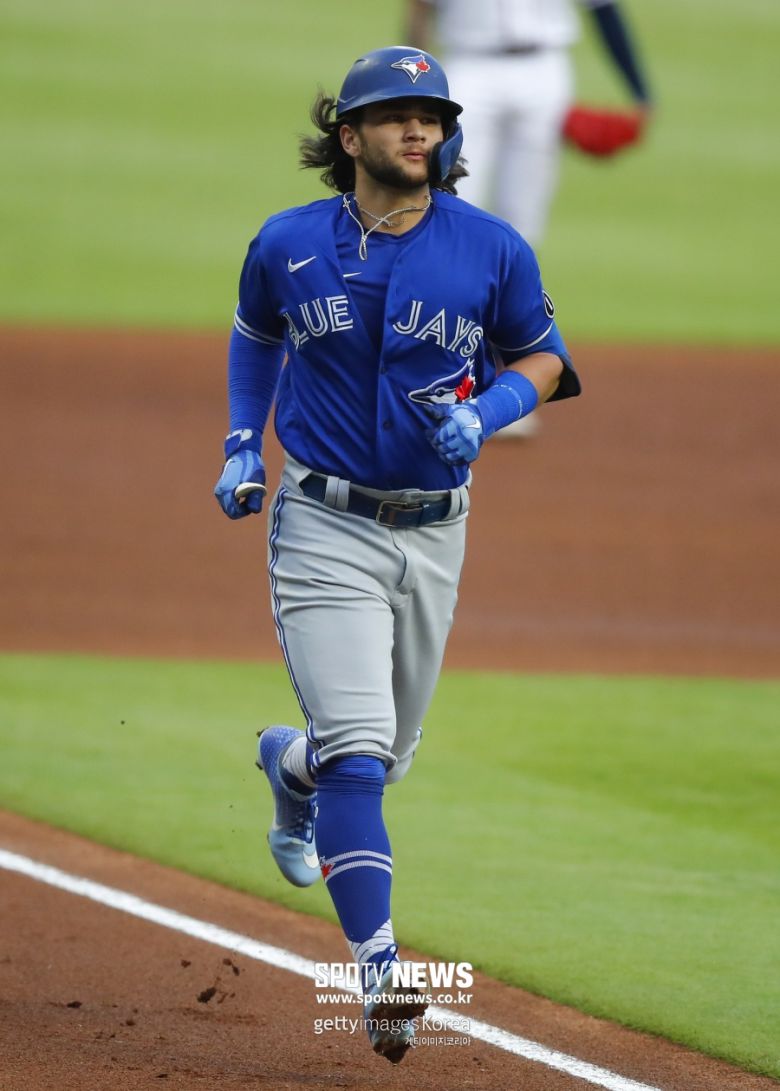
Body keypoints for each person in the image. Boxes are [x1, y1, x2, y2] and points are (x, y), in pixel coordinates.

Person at [214, 45, 580, 1065]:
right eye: (396, 115)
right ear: (350, 135)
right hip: (322, 524)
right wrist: (242, 440)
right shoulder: (288, 242)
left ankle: (288, 762)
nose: (420, 130)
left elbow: (544, 358)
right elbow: (255, 332)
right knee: (362, 751)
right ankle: (380, 967)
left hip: (436, 531)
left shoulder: (491, 248)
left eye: (433, 117)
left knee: (379, 757)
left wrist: (490, 411)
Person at [406, 0, 650, 438]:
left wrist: (638, 90)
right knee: (451, 215)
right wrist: (411, 89)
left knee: (521, 228)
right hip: (468, 68)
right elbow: (421, 7)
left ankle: (506, 382)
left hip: (544, 71)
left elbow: (603, 7)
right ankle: (436, 372)